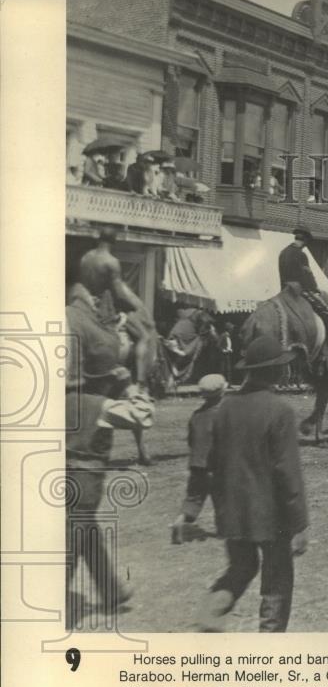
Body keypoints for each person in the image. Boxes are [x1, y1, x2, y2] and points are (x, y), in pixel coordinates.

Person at [195, 336, 309, 633]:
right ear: (273, 371)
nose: (285, 372)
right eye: (282, 367)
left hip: (234, 510)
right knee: (277, 579)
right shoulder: (280, 410)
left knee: (241, 568)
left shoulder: (225, 409)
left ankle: (212, 607)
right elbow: (288, 473)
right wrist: (299, 524)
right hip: (272, 516)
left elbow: (210, 464)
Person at [65, 282, 155, 627]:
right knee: (76, 535)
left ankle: (111, 589)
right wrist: (133, 386)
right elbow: (143, 416)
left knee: (83, 528)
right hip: (87, 479)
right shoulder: (102, 405)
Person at [78, 228, 154, 385]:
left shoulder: (86, 257)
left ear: (99, 238)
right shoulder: (112, 262)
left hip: (86, 303)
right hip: (106, 308)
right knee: (144, 337)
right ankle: (141, 382)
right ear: (114, 241)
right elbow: (119, 293)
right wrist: (132, 306)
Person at [277, 227, 328, 367]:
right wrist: (314, 290)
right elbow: (307, 275)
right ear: (305, 241)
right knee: (326, 310)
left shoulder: (283, 253)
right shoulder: (300, 254)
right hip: (300, 291)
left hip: (285, 290)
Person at [170, 374, 226, 545]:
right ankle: (224, 530)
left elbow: (191, 440)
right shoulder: (224, 415)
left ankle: (180, 521)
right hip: (215, 465)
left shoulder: (196, 415)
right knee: (222, 498)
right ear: (222, 392)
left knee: (194, 497)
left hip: (196, 464)